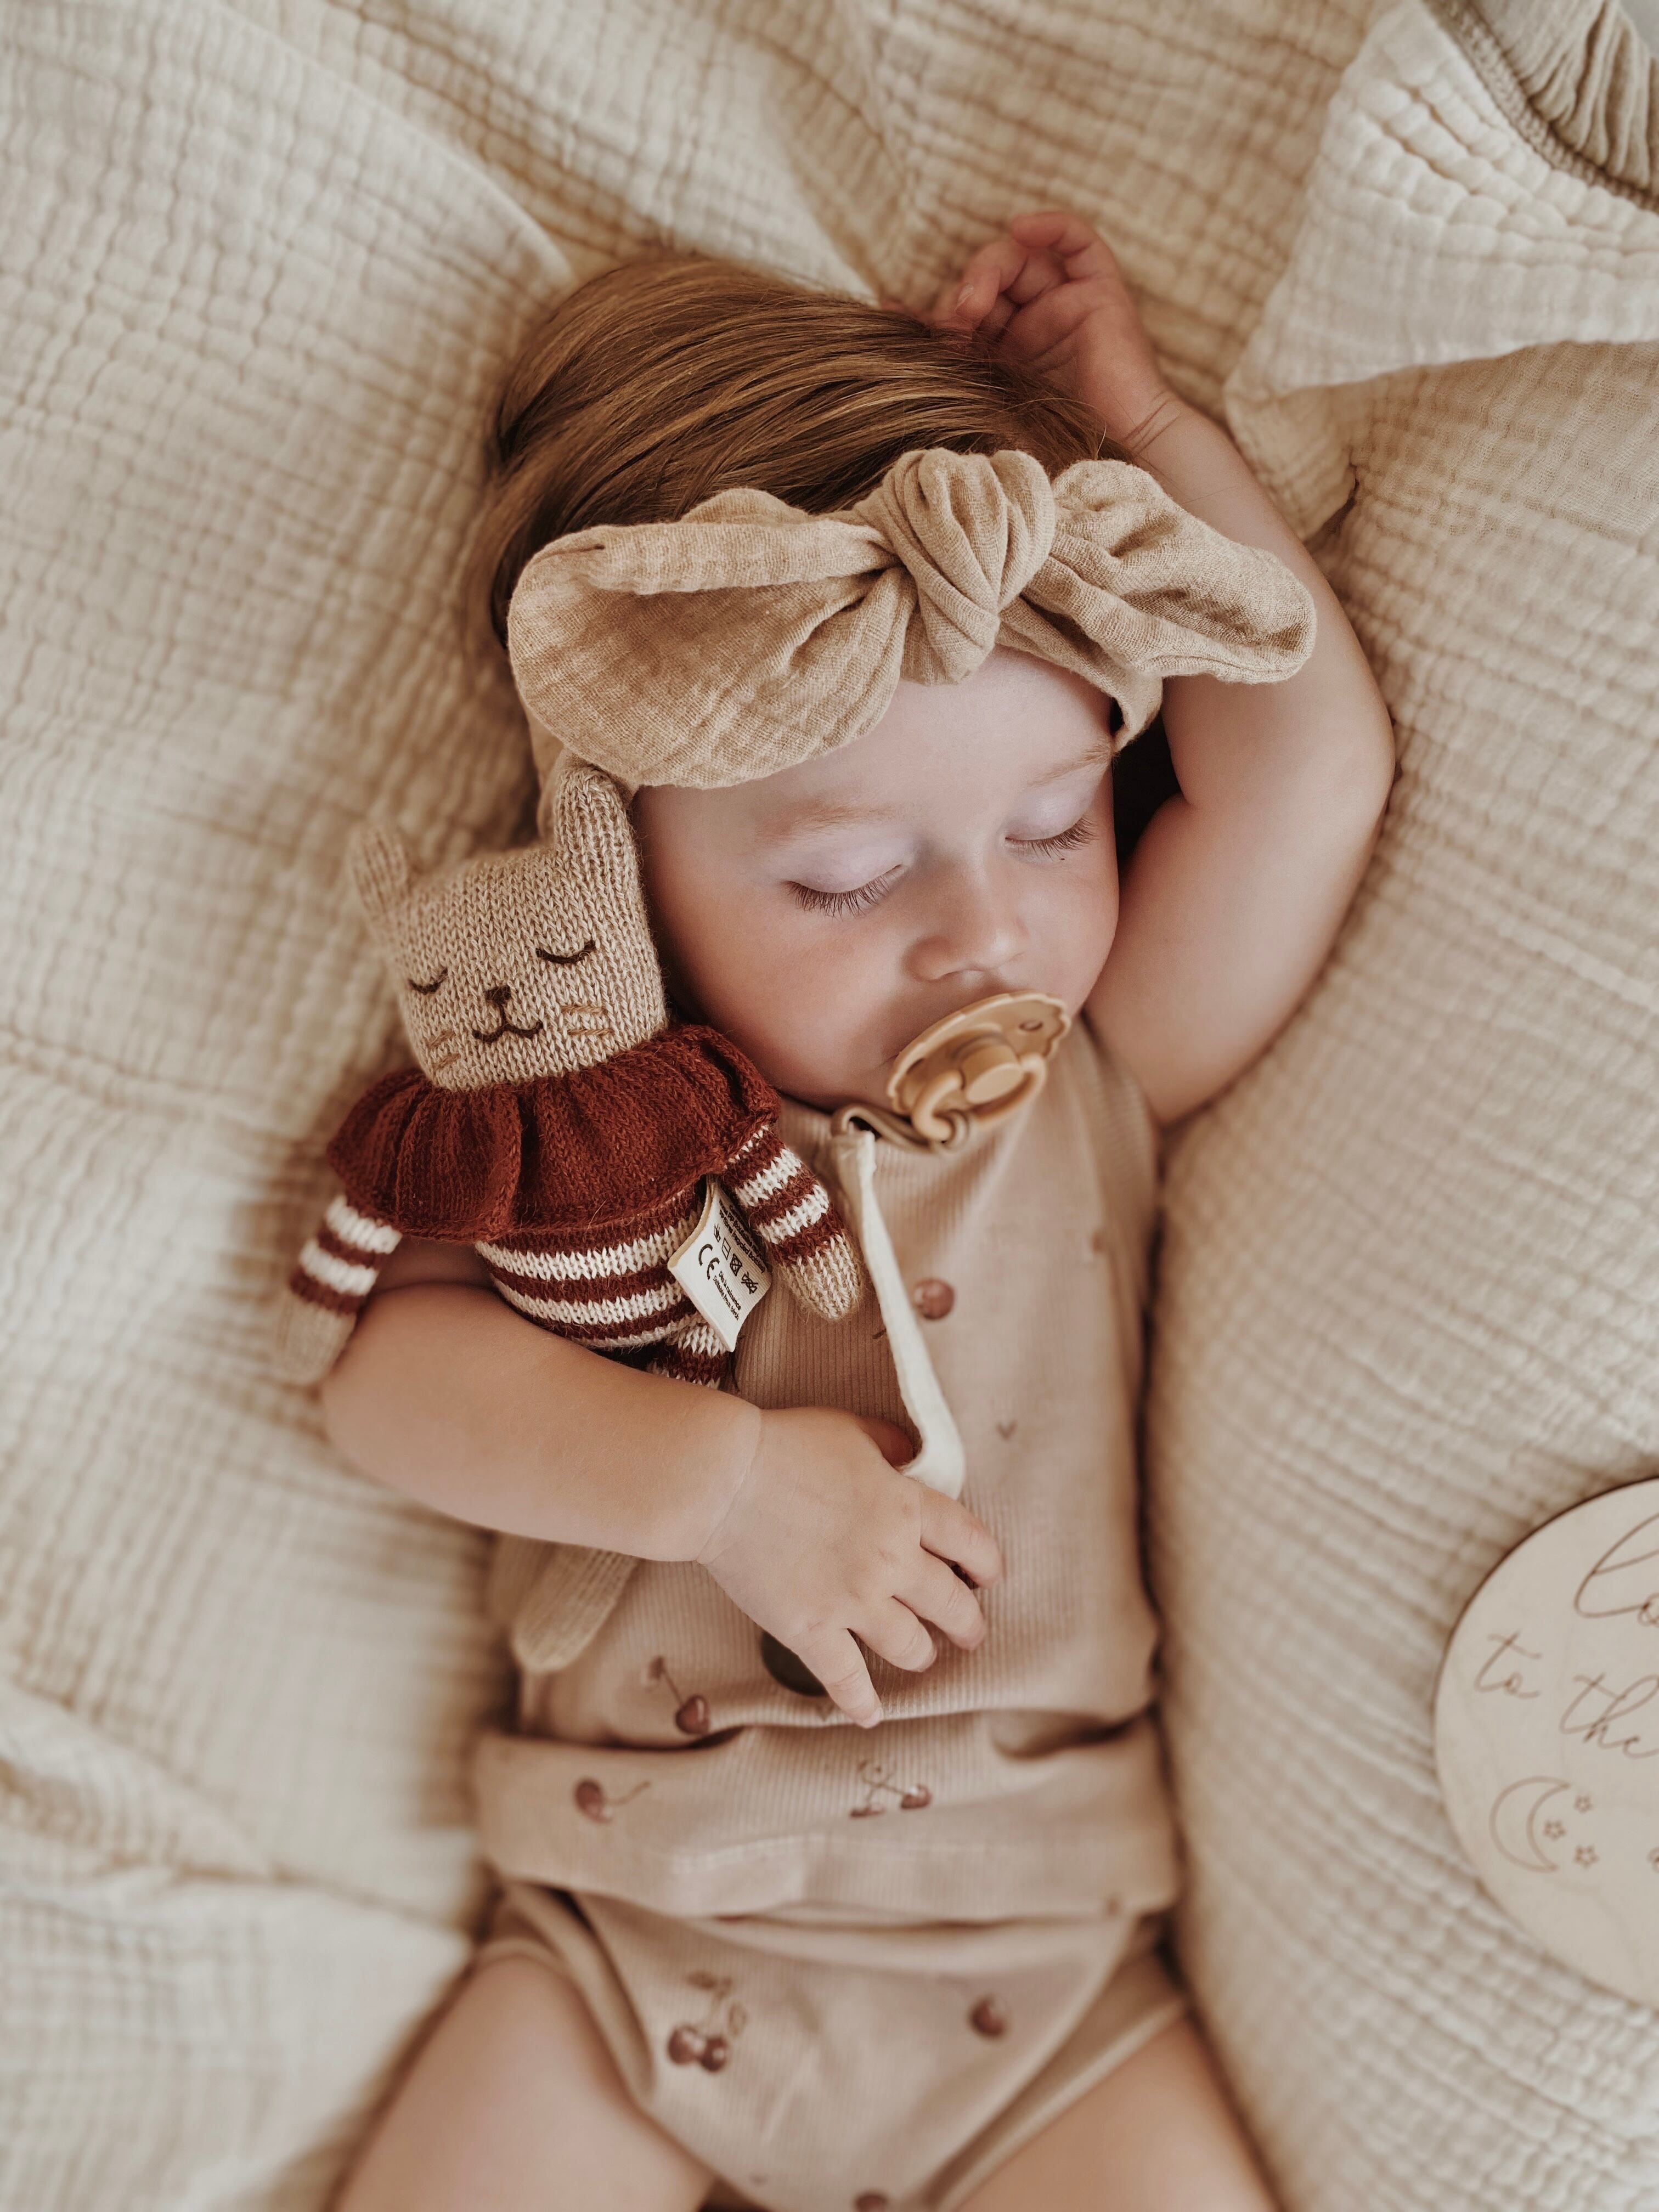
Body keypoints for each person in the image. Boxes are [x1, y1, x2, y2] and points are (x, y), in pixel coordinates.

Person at [321, 211, 1395, 2211]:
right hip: (623, 1953)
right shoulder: (577, 1131)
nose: (987, 932)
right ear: (622, 861)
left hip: (1045, 1993)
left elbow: (1306, 770)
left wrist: (1139, 426)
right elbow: (390, 1386)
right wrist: (723, 1486)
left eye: (1055, 827)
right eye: (847, 879)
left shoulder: (1090, 1086)